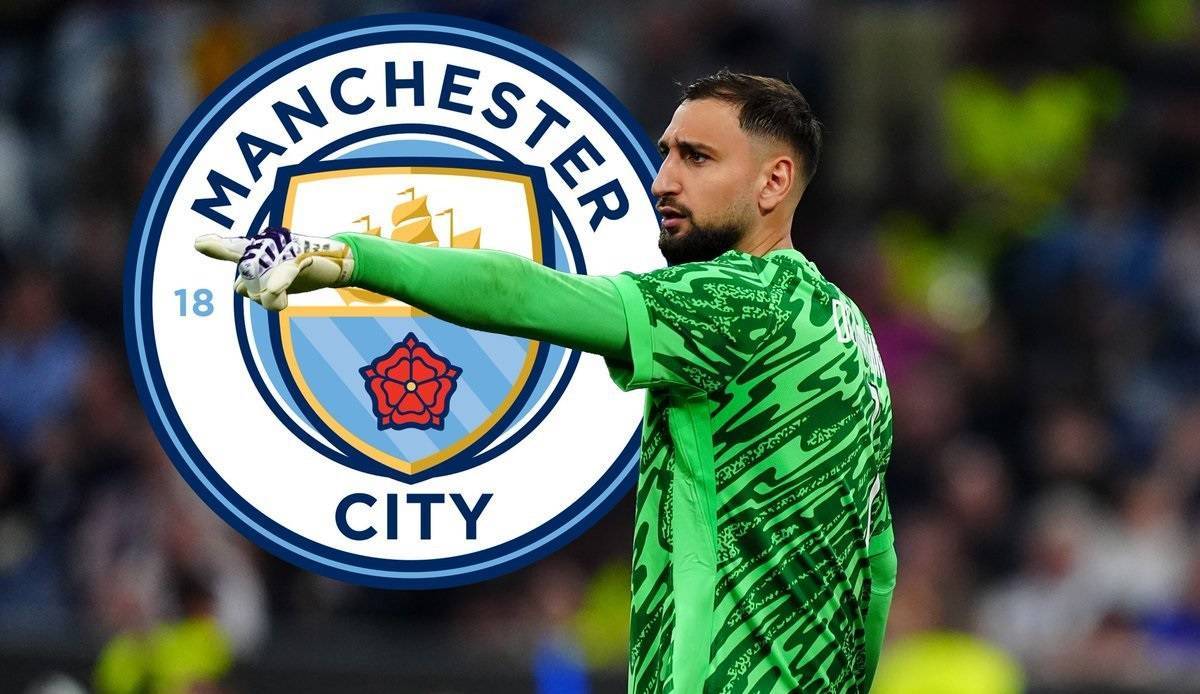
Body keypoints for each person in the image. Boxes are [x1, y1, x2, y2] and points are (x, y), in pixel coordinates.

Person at [197, 70, 897, 693]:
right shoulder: (850, 334)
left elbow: (523, 292)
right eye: (666, 153)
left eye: (697, 157)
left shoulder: (738, 300)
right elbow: (877, 567)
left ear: (774, 182)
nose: (663, 180)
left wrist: (353, 258)